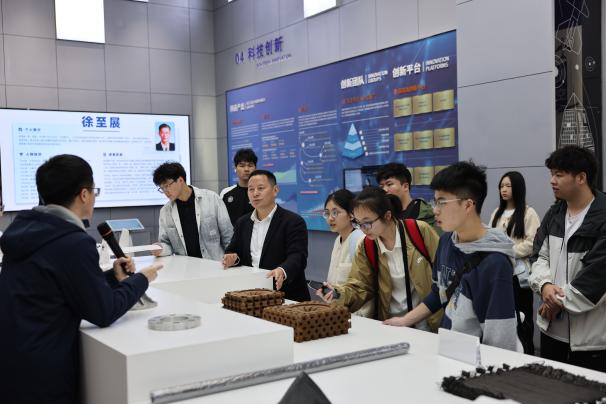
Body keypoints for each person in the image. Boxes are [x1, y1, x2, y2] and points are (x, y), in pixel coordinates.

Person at [0, 154, 162, 404]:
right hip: (45, 372)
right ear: (84, 194)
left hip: (14, 361)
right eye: (94, 191)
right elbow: (103, 311)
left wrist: (113, 277)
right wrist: (141, 279)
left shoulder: (25, 230)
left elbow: (59, 287)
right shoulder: (72, 241)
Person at [386, 161, 520, 351]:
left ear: (467, 205)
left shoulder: (495, 263)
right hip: (450, 348)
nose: (435, 209)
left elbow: (500, 342)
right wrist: (405, 321)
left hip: (476, 358)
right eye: (435, 201)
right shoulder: (446, 241)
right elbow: (438, 293)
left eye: (442, 202)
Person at [317, 186, 443, 331]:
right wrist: (339, 294)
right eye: (358, 223)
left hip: (428, 325)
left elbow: (443, 276)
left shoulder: (419, 231)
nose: (363, 229)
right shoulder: (367, 246)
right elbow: (360, 287)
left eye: (367, 223)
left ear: (387, 216)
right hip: (390, 325)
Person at [529, 146, 606, 372]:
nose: (552, 181)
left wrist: (556, 303)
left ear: (581, 178)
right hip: (551, 330)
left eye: (559, 174)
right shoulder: (554, 214)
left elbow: (596, 278)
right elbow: (539, 256)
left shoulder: (602, 217)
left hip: (592, 340)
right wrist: (545, 285)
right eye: (552, 174)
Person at [222, 170, 310, 301]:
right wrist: (232, 257)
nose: (255, 193)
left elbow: (298, 256)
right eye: (251, 189)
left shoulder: (293, 221)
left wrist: (282, 270)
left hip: (286, 295)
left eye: (261, 188)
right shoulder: (242, 222)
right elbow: (233, 250)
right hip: (252, 295)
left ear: (275, 190)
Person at [490, 171, 540, 354]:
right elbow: (490, 238)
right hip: (499, 274)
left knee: (523, 318)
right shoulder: (496, 212)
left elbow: (533, 243)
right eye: (501, 186)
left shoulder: (528, 213)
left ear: (518, 188)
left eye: (508, 186)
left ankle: (527, 354)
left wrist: (508, 251)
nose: (503, 189)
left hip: (519, 276)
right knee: (503, 317)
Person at [152, 162, 233, 261]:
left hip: (215, 264)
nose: (165, 192)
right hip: (186, 267)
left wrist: (231, 257)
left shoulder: (211, 199)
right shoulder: (165, 212)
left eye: (167, 186)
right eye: (162, 188)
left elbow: (228, 235)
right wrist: (160, 249)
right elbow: (167, 244)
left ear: (180, 180)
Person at [322, 189, 368, 316]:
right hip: (336, 312)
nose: (330, 218)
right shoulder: (338, 240)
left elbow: (364, 287)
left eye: (335, 212)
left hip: (357, 315)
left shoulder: (360, 240)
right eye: (327, 213)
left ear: (351, 214)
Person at [376, 162, 438, 231]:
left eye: (389, 184)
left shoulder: (425, 214)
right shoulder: (383, 216)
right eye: (381, 186)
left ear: (405, 186)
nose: (385, 190)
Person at [220, 148, 257, 225]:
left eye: (250, 165)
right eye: (242, 165)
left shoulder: (260, 193)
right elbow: (222, 220)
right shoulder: (226, 193)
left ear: (255, 168)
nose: (246, 169)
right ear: (235, 168)